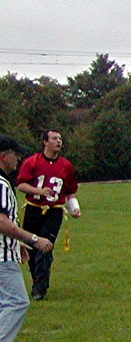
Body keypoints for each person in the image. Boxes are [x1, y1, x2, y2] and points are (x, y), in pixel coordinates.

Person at [0, 134, 55, 342]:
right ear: (4, 156)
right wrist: (32, 239)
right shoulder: (2, 185)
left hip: (6, 250)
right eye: (15, 154)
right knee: (17, 302)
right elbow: (2, 222)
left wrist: (17, 242)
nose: (18, 158)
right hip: (2, 258)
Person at [16, 129, 80, 301]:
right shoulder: (32, 161)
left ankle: (40, 289)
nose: (58, 141)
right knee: (32, 247)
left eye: (60, 138)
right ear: (45, 142)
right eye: (54, 138)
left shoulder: (66, 165)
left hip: (54, 211)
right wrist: (39, 191)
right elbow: (21, 185)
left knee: (45, 247)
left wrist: (74, 207)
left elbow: (70, 191)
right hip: (34, 209)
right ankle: (37, 282)